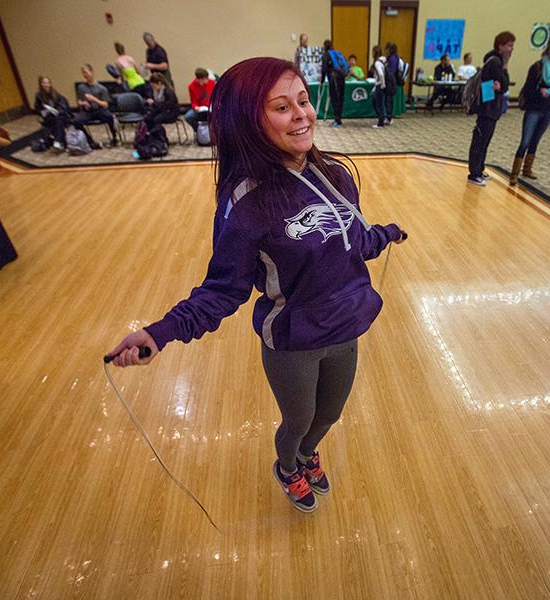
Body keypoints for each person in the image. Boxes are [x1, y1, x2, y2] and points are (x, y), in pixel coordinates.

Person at [107, 56, 407, 514]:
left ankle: (307, 455)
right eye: (282, 107)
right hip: (293, 341)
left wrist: (385, 233)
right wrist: (159, 333)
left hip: (346, 329)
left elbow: (354, 240)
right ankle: (289, 467)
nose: (302, 115)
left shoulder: (338, 175)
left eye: (303, 101)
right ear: (248, 121)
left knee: (329, 415)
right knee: (299, 418)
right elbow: (221, 292)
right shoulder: (245, 204)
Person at [510, 36, 550, 185]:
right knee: (525, 141)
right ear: (548, 48)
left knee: (536, 140)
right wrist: (540, 92)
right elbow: (528, 90)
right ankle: (514, 173)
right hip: (534, 108)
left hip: (548, 109)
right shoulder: (537, 67)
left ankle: (527, 169)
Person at [467, 31, 514, 186]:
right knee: (480, 140)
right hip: (487, 109)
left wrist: (500, 86)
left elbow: (503, 85)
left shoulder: (497, 61)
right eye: (508, 45)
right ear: (500, 46)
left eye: (512, 45)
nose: (511, 49)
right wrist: (499, 87)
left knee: (485, 140)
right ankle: (474, 172)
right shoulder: (495, 63)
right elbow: (498, 85)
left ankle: (479, 169)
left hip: (491, 108)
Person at [73, 64, 119, 149]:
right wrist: (83, 103)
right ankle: (90, 141)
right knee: (76, 121)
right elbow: (79, 101)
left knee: (109, 116)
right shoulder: (81, 87)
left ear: (92, 72)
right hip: (87, 111)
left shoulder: (101, 88)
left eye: (86, 72)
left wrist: (94, 99)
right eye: (83, 73)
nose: (85, 75)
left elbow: (105, 104)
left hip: (99, 109)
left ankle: (114, 137)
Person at [34, 75, 73, 152]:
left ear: (50, 84)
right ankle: (60, 142)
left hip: (60, 115)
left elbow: (63, 107)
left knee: (58, 120)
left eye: (48, 83)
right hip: (48, 116)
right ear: (41, 84)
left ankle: (58, 141)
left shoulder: (55, 93)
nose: (46, 85)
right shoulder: (38, 95)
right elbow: (37, 108)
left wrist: (57, 111)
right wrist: (43, 112)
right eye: (44, 83)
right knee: (56, 122)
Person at [321, 40, 347, 128]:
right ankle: (339, 119)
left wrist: (321, 80)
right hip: (342, 78)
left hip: (334, 79)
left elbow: (324, 69)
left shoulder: (326, 55)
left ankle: (337, 120)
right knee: (340, 99)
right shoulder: (338, 53)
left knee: (335, 99)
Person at [370, 45, 388, 129]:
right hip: (379, 85)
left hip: (379, 85)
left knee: (378, 104)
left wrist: (382, 84)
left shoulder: (377, 62)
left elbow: (380, 74)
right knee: (376, 102)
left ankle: (380, 123)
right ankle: (381, 118)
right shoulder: (384, 60)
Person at [384, 43, 401, 124]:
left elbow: (391, 72)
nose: (385, 51)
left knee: (389, 100)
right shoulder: (392, 58)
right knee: (388, 100)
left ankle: (389, 117)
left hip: (390, 81)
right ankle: (388, 116)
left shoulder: (392, 59)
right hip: (391, 81)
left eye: (386, 49)